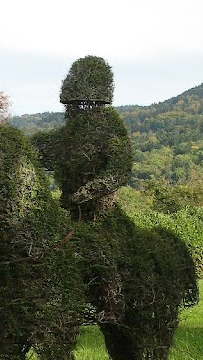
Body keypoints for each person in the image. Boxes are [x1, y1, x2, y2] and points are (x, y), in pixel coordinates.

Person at [32, 56, 132, 322]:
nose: (78, 109)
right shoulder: (66, 135)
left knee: (102, 250)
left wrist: (90, 191)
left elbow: (119, 169)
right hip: (66, 210)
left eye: (83, 103)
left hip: (101, 213)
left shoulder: (110, 129)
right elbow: (41, 149)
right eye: (75, 104)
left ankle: (113, 303)